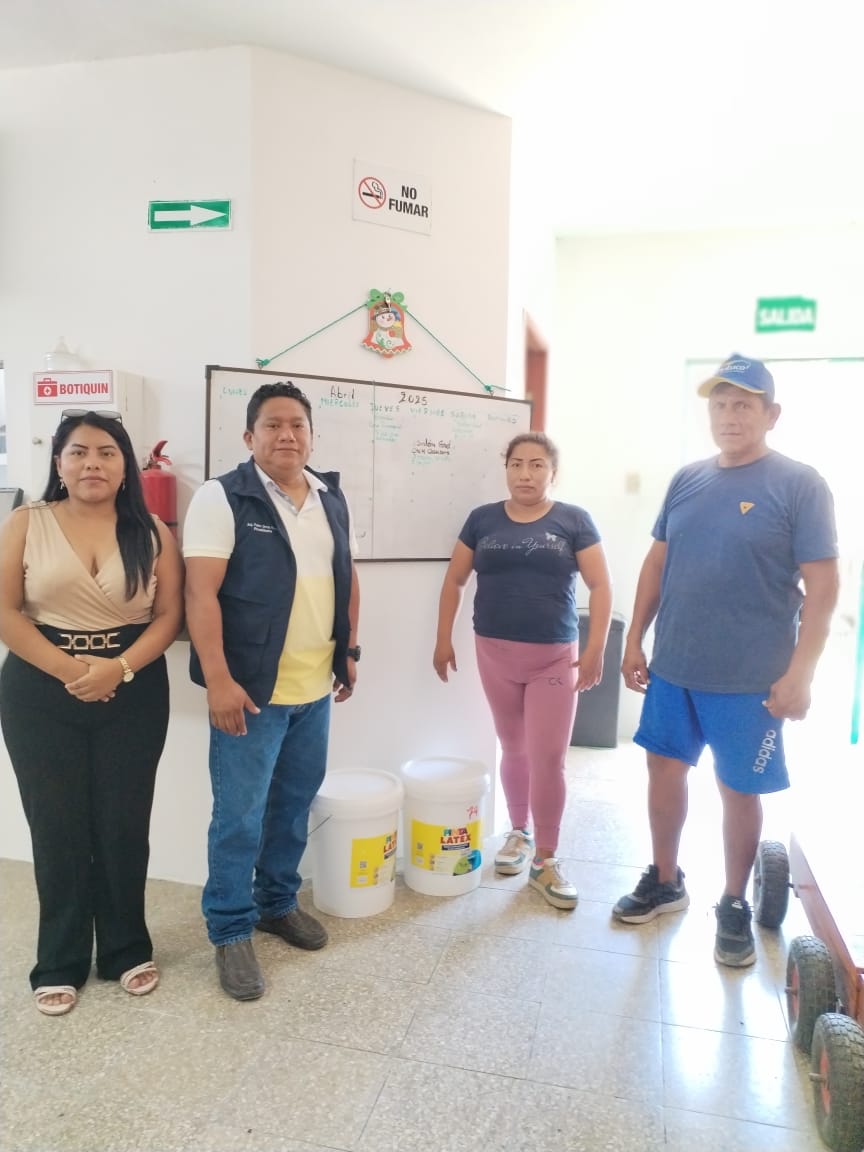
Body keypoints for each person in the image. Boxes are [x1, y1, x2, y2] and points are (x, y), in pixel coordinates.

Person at [613, 355, 839, 967]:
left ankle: (734, 901)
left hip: (749, 680)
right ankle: (665, 879)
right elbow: (657, 562)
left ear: (771, 414)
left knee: (738, 790)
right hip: (674, 667)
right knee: (663, 771)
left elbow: (823, 588)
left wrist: (801, 673)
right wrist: (634, 640)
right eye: (719, 404)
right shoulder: (687, 479)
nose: (729, 416)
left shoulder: (799, 484)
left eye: (743, 404)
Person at [0, 410, 183, 1016]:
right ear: (59, 463)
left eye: (106, 452)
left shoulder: (151, 531)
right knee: (57, 827)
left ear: (125, 465)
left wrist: (118, 669)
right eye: (78, 452)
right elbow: (4, 611)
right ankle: (59, 960)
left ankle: (127, 949)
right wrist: (71, 672)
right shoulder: (26, 522)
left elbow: (168, 616)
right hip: (39, 691)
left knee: (123, 824)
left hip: (133, 690)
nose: (92, 464)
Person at [183, 380, 360, 1000]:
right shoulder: (222, 496)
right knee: (239, 816)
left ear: (311, 435)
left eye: (297, 425)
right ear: (249, 436)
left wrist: (349, 651)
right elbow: (200, 593)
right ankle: (230, 929)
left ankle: (276, 903)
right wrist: (219, 680)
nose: (287, 435)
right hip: (251, 692)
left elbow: (347, 577)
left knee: (292, 804)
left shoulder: (329, 496)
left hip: (313, 688)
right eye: (273, 425)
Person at [433, 431, 613, 909]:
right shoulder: (482, 519)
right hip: (493, 650)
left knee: (548, 757)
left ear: (553, 472)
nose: (525, 474)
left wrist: (596, 648)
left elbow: (600, 584)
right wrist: (442, 638)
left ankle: (546, 860)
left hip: (554, 656)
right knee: (512, 745)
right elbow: (455, 579)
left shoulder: (573, 520)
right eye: (516, 464)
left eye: (537, 465)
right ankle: (519, 833)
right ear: (506, 469)